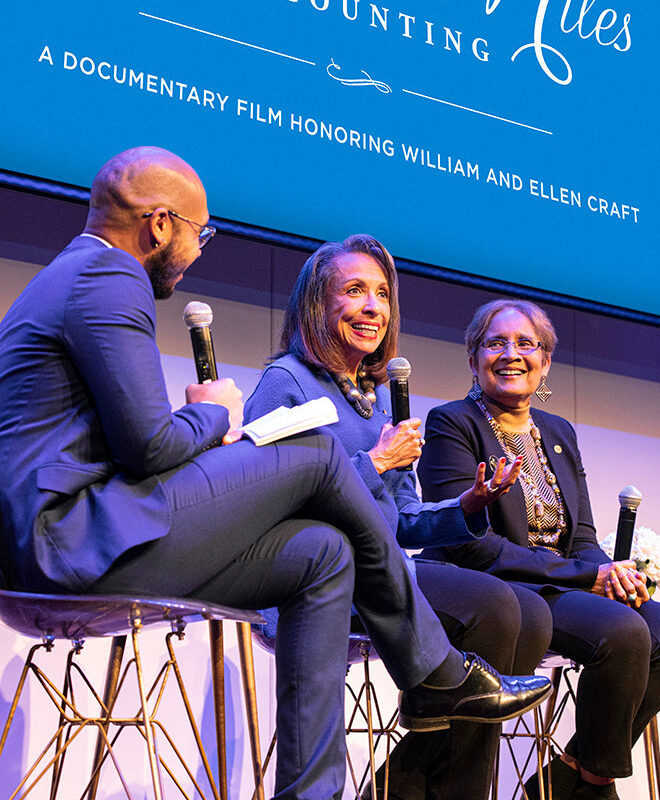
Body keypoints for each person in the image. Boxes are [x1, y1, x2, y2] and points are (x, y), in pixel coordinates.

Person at [0, 151, 550, 800]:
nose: (197, 250)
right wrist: (211, 413)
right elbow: (149, 448)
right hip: (66, 545)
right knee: (314, 452)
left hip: (76, 536)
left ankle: (316, 790)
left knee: (322, 553)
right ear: (158, 224)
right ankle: (435, 674)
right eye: (199, 233)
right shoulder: (109, 277)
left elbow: (128, 447)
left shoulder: (73, 275)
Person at [244, 235, 553, 800]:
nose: (373, 308)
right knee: (494, 606)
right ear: (317, 303)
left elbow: (403, 518)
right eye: (355, 291)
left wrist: (468, 506)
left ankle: (429, 752)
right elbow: (266, 497)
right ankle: (438, 742)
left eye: (383, 294)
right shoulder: (286, 382)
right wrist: (377, 461)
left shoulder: (376, 398)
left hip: (384, 571)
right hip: (318, 579)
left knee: (528, 611)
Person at [417, 298, 660, 800]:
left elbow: (582, 537)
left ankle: (577, 774)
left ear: (545, 361)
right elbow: (468, 545)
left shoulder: (557, 431)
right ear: (473, 359)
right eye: (495, 343)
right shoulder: (452, 423)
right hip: (501, 588)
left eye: (526, 344)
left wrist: (611, 574)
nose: (511, 354)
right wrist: (586, 577)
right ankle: (593, 790)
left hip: (562, 583)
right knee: (623, 632)